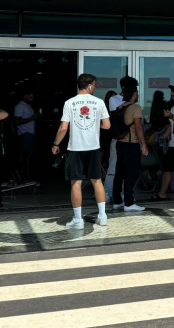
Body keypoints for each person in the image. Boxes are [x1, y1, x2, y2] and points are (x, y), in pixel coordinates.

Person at [52, 73, 111, 230]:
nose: (95, 87)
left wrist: (56, 143)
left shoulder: (69, 103)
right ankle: (102, 216)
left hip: (75, 148)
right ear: (90, 85)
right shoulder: (99, 102)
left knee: (76, 182)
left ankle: (78, 220)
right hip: (93, 147)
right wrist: (93, 125)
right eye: (94, 85)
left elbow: (63, 127)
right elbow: (107, 125)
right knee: (97, 180)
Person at [112, 82, 148, 212]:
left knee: (119, 173)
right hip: (131, 145)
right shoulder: (135, 108)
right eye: (137, 92)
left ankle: (117, 201)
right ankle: (129, 202)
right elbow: (138, 127)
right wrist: (144, 144)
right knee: (131, 174)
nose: (138, 94)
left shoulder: (120, 107)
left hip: (120, 144)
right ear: (134, 94)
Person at [105, 77, 133, 204]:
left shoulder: (133, 101)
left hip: (130, 139)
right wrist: (129, 102)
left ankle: (122, 194)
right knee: (113, 167)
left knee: (126, 168)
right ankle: (107, 192)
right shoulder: (114, 99)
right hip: (118, 138)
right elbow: (116, 114)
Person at [14, 91, 39, 183]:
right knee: (25, 156)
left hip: (30, 133)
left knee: (29, 155)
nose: (32, 99)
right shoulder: (19, 106)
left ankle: (27, 176)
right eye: (30, 96)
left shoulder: (28, 106)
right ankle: (23, 176)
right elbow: (17, 121)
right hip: (24, 133)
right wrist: (32, 118)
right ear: (25, 96)